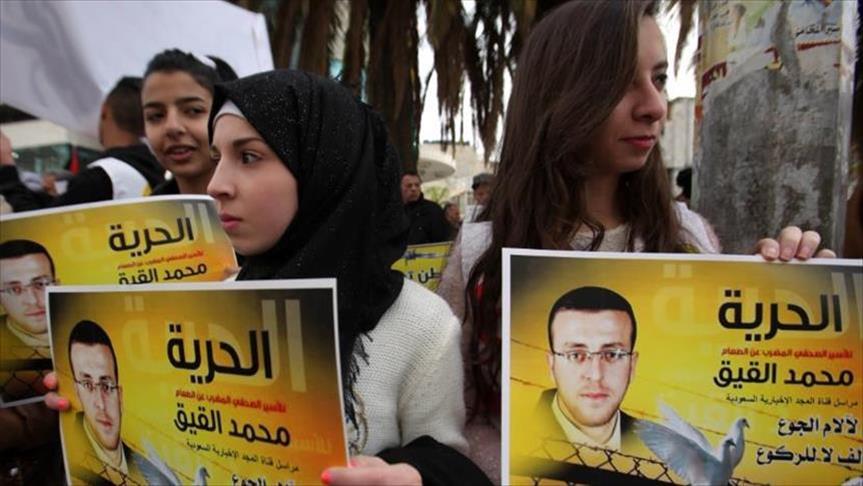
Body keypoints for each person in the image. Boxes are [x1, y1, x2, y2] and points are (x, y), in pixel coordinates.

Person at [435, 1, 834, 482]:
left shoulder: (687, 236)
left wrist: (785, 297)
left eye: (659, 79)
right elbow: (452, 420)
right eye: (622, 82)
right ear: (560, 92)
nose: (655, 106)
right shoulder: (482, 249)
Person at [47, 69, 490, 486]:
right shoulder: (204, 303)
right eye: (218, 158)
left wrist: (411, 474)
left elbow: (445, 457)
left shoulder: (419, 322)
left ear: (321, 165)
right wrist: (84, 413)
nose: (217, 184)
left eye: (249, 156)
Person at [0, 77, 164, 211]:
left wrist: (6, 165)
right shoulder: (155, 169)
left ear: (104, 110)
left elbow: (36, 228)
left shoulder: (99, 179)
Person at [65, 319, 174, 484]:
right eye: (87, 385)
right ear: (77, 392)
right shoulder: (68, 457)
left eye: (107, 386)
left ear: (120, 396)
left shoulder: (146, 470)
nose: (101, 404)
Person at [534, 287, 640, 452]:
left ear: (632, 366)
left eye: (612, 354)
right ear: (552, 365)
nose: (596, 375)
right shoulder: (515, 436)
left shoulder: (662, 448)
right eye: (576, 355)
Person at [142, 49, 237, 195]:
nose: (172, 127)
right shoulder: (145, 208)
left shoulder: (267, 203)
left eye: (193, 111)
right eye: (156, 116)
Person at [401, 171, 451, 244]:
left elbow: (443, 239)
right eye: (409, 185)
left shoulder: (434, 210)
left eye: (417, 185)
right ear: (400, 188)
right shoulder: (394, 212)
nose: (413, 189)